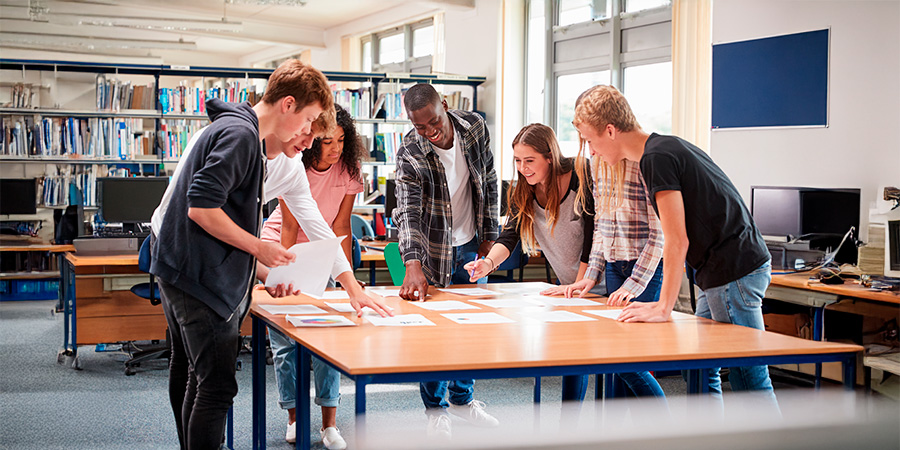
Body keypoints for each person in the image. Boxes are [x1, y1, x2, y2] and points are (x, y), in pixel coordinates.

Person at [150, 59, 386, 450]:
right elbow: (198, 208)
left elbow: (318, 228)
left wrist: (349, 285)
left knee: (201, 376)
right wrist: (260, 252)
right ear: (288, 105)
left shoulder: (271, 153)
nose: (308, 139)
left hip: (199, 261)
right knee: (211, 381)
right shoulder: (239, 136)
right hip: (190, 263)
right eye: (307, 124)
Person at [572, 85, 776, 400]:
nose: (592, 151)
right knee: (698, 369)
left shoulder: (656, 159)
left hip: (733, 270)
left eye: (590, 140)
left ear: (610, 131)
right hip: (717, 271)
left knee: (749, 377)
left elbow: (676, 239)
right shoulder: (663, 147)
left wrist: (663, 307)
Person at [463, 123, 601, 401]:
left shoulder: (580, 174)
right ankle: (569, 424)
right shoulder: (525, 190)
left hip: (599, 278)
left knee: (623, 368)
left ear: (549, 156)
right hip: (570, 285)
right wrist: (487, 264)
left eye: (529, 160)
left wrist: (578, 285)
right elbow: (509, 235)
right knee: (573, 358)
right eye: (517, 160)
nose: (523, 168)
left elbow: (593, 236)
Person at [393, 83, 500, 438]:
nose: (429, 131)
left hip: (470, 245)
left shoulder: (474, 127)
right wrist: (412, 264)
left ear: (445, 105)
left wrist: (490, 235)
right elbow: (407, 211)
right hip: (433, 250)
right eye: (420, 126)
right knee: (433, 336)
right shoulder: (410, 150)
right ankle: (436, 410)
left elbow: (489, 179)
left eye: (434, 122)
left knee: (471, 329)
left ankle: (463, 401)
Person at [258, 105, 364, 449]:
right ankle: (294, 418)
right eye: (328, 141)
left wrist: (347, 279)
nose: (336, 149)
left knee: (327, 344)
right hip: (282, 246)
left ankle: (329, 425)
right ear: (314, 140)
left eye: (341, 141)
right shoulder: (294, 165)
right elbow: (289, 226)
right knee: (286, 345)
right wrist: (287, 276)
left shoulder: (349, 170)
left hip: (323, 250)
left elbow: (340, 226)